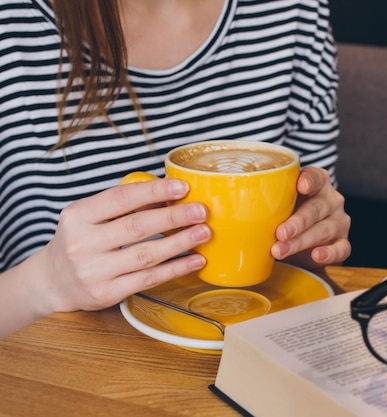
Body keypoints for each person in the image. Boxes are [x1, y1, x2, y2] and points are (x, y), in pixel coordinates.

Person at [0, 0, 351, 339]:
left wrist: (304, 241)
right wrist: (45, 283)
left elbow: (313, 233)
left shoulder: (294, 10)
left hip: (254, 358)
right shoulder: (13, 24)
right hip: (58, 376)